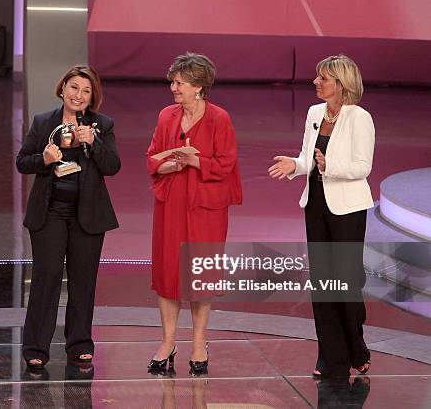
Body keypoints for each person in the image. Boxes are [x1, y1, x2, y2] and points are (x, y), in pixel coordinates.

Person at [268, 54, 375, 378]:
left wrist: (331, 167)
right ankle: (330, 355)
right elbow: (307, 157)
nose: (316, 82)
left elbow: (362, 167)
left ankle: (357, 348)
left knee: (346, 282)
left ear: (340, 85)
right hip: (315, 203)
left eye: (323, 78)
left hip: (347, 209)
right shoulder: (315, 113)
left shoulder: (359, 117)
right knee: (323, 283)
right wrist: (295, 165)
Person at [16, 65, 120, 369]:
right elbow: (23, 162)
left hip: (87, 215)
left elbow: (112, 166)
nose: (79, 94)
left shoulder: (102, 125)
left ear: (92, 98)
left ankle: (80, 345)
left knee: (83, 282)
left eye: (86, 91)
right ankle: (36, 346)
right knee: (46, 279)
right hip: (50, 212)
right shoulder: (43, 121)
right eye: (74, 87)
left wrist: (93, 142)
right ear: (63, 89)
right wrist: (44, 159)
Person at [146, 53, 242, 374]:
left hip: (205, 206)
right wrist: (171, 162)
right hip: (171, 203)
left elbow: (226, 164)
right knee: (168, 273)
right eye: (172, 81)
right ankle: (168, 341)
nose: (173, 87)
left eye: (179, 82)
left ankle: (199, 342)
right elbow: (152, 157)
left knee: (199, 274)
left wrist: (193, 160)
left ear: (199, 86)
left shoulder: (219, 118)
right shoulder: (166, 116)